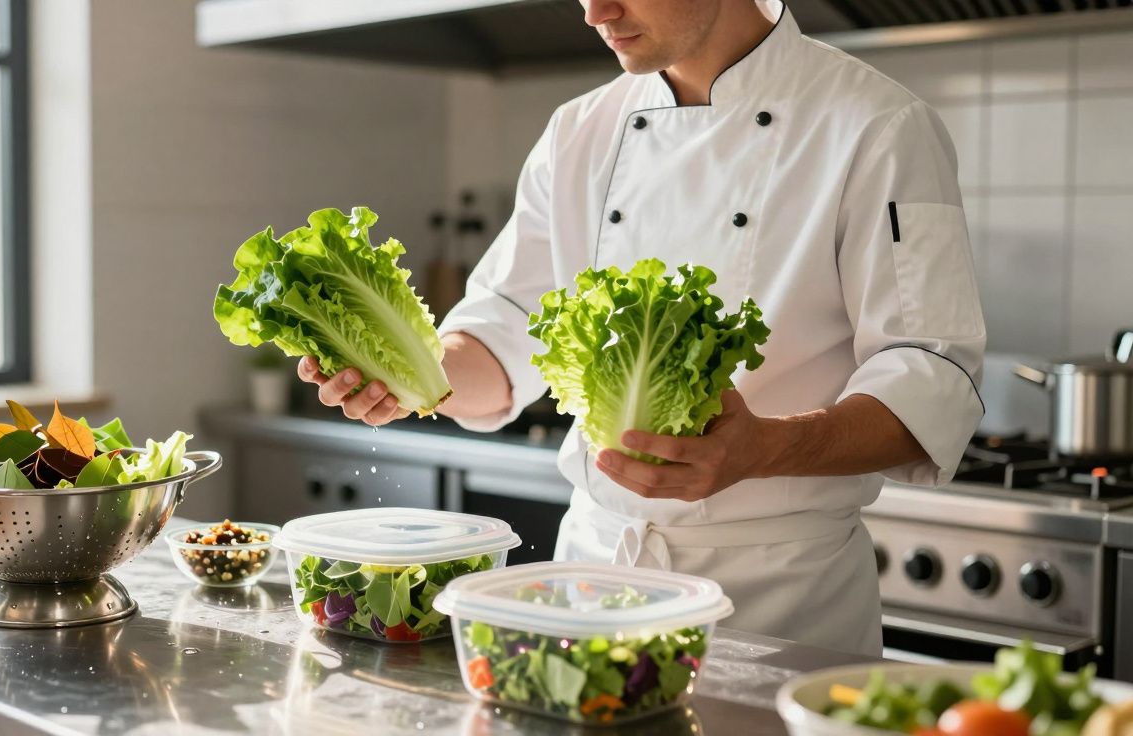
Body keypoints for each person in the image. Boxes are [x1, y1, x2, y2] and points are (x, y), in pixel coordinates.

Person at [296, 0, 986, 656]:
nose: (595, 13)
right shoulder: (578, 133)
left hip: (783, 600)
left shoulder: (880, 125)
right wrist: (415, 374)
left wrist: (766, 448)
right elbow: (501, 336)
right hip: (596, 580)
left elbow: (929, 378)